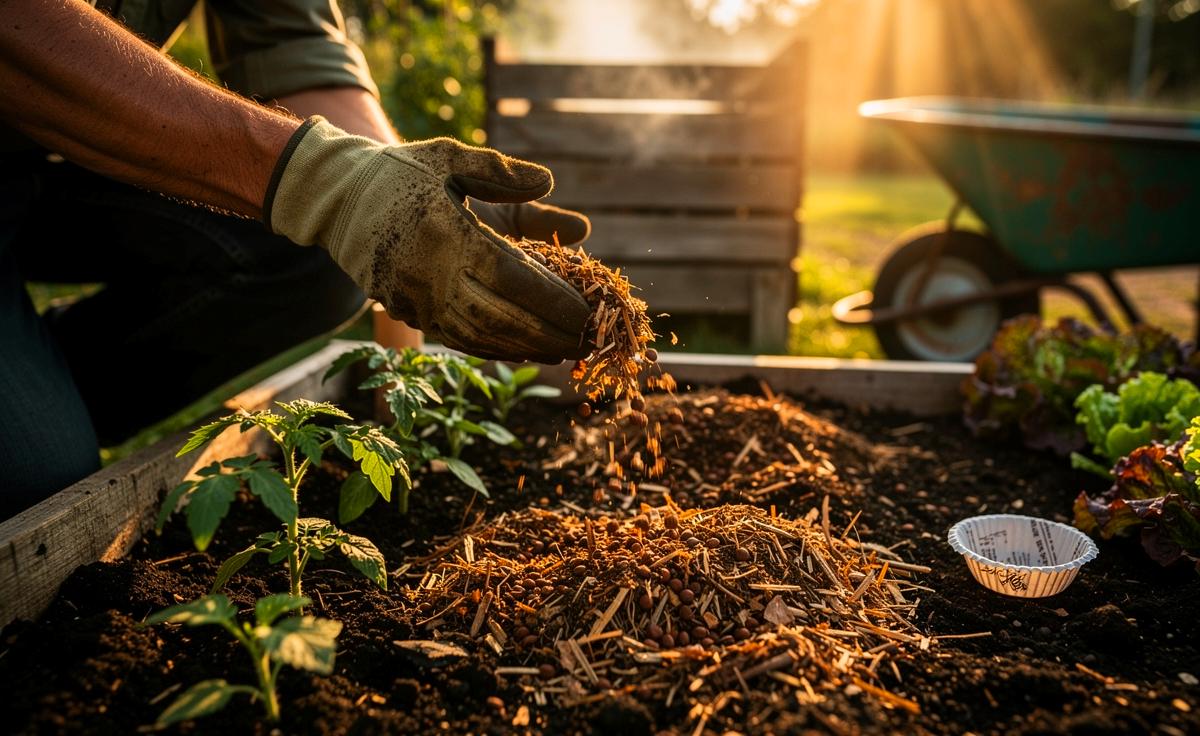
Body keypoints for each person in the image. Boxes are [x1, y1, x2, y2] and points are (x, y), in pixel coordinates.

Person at [0, 0, 592, 518]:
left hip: (61, 159)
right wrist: (328, 184)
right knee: (33, 482)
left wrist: (419, 197)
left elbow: (294, 47)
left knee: (325, 263)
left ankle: (44, 384)